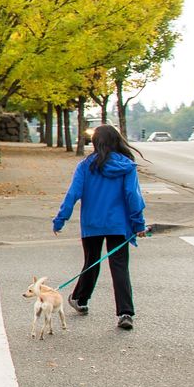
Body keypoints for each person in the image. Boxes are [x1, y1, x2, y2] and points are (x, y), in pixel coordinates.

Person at [53, 124, 147, 330]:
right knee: (120, 267)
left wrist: (61, 218)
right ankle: (125, 313)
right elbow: (133, 196)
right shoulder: (127, 166)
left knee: (92, 262)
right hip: (118, 224)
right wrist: (138, 222)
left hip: (92, 223)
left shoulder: (85, 166)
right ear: (117, 141)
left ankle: (80, 299)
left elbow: (73, 194)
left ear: (95, 142)